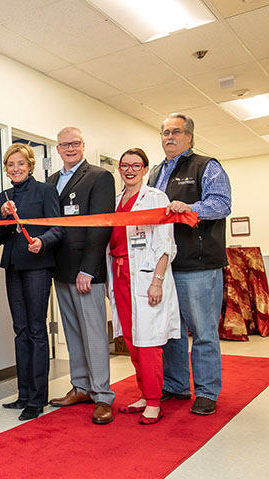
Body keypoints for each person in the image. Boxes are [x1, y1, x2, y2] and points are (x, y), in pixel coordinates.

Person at [149, 113, 231, 416]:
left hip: (199, 264)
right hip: (166, 264)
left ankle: (207, 391)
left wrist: (190, 208)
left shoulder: (207, 166)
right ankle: (177, 385)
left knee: (203, 331)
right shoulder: (156, 172)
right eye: (165, 133)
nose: (169, 137)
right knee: (172, 331)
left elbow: (222, 203)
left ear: (189, 137)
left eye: (176, 132)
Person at [47, 126, 116, 425]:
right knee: (73, 332)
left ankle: (103, 396)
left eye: (75, 143)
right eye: (65, 145)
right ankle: (81, 387)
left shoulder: (99, 177)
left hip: (86, 271)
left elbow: (101, 224)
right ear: (58, 149)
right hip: (59, 269)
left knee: (94, 333)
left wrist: (89, 268)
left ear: (83, 145)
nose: (70, 148)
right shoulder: (51, 181)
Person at [106, 148, 180, 425]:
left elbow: (165, 243)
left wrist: (157, 281)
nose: (129, 169)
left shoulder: (155, 198)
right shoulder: (115, 201)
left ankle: (154, 401)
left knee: (149, 342)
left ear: (145, 169)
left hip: (146, 276)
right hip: (121, 275)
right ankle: (143, 393)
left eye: (136, 165)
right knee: (133, 341)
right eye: (124, 165)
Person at [0, 143, 62, 421]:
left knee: (36, 330)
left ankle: (37, 398)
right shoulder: (4, 195)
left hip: (37, 266)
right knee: (20, 330)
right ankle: (23, 394)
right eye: (10, 165)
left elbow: (58, 228)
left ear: (30, 165)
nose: (15, 169)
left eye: (20, 164)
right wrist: (2, 218)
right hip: (13, 267)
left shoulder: (46, 191)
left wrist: (42, 242)